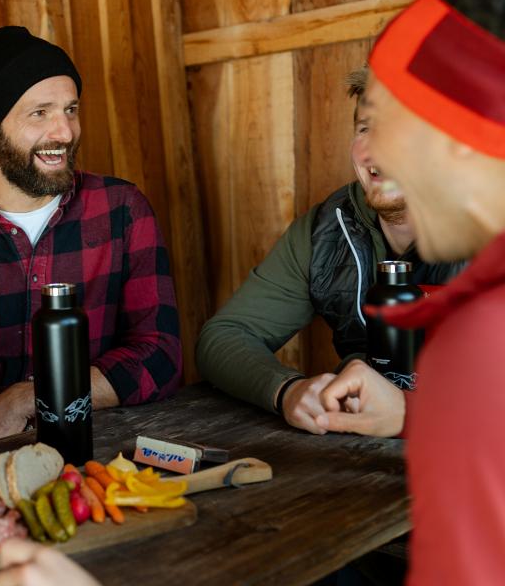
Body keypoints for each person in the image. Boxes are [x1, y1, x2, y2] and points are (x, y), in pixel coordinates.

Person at [0, 26, 181, 449]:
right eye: (40, 113)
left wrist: (28, 398)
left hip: (110, 450)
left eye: (70, 110)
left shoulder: (122, 209)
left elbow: (161, 357)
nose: (64, 132)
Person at [315, 0, 505, 583]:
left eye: (387, 121)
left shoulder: (482, 342)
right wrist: (413, 413)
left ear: (459, 131)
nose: (373, 153)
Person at [196, 67, 464, 435]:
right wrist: (286, 390)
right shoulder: (325, 229)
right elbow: (224, 336)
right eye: (366, 128)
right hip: (355, 467)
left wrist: (407, 412)